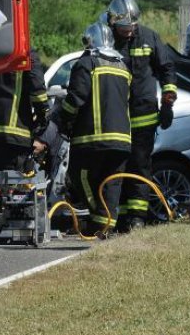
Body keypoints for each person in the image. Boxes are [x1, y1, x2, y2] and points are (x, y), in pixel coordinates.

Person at [49, 23, 132, 234]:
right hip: (122, 140)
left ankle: (97, 218)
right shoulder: (124, 66)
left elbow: (75, 100)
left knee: (81, 177)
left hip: (92, 139)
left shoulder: (87, 63)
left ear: (88, 42)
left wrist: (62, 119)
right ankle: (105, 228)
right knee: (112, 183)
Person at [106, 0, 177, 227]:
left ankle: (137, 217)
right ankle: (118, 215)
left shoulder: (148, 37)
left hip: (144, 117)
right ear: (113, 23)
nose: (128, 31)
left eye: (131, 26)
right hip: (116, 119)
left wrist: (167, 102)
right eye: (123, 27)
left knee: (140, 166)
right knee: (116, 167)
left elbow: (167, 69)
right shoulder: (107, 41)